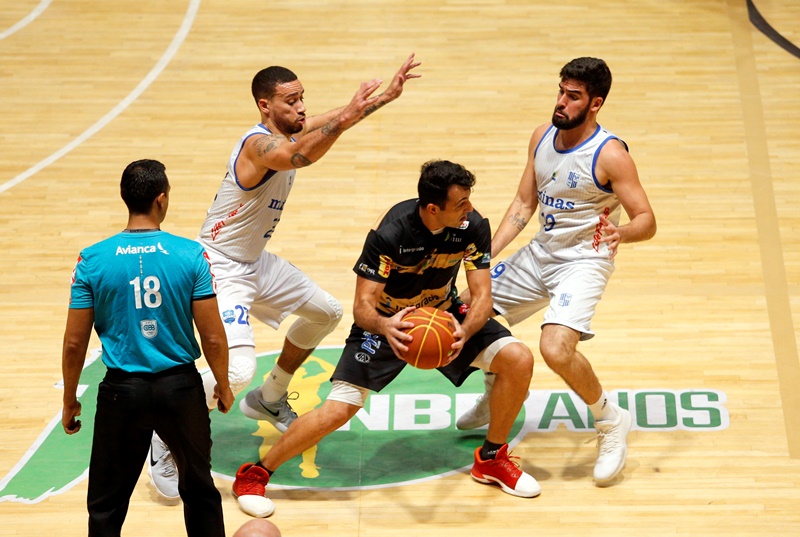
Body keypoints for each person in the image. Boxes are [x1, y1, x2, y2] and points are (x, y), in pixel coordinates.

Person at [147, 54, 422, 496]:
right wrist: (349, 115)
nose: (301, 110)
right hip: (219, 264)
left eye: (302, 100)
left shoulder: (287, 128)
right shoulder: (259, 147)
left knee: (326, 312)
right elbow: (299, 155)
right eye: (291, 102)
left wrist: (382, 98)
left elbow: (322, 123)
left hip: (255, 260)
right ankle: (163, 435)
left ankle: (270, 396)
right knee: (234, 372)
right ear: (264, 106)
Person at [231, 159, 540, 518]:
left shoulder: (472, 226)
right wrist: (386, 327)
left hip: (443, 316)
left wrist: (465, 329)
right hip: (387, 323)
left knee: (518, 358)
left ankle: (491, 459)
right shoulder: (390, 233)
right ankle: (255, 474)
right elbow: (363, 307)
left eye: (469, 200)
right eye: (461, 204)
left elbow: (482, 295)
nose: (469, 209)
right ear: (432, 208)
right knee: (338, 409)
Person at [456, 57, 657, 486]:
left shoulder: (611, 155)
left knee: (555, 349)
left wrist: (622, 231)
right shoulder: (542, 136)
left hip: (584, 261)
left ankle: (609, 421)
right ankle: (495, 391)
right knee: (472, 304)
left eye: (574, 96)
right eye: (561, 91)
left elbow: (647, 220)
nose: (562, 102)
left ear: (596, 103)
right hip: (541, 253)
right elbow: (523, 206)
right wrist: (480, 259)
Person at [60, 159, 235, 536]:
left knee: (106, 504)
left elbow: (75, 342)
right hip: (180, 390)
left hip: (122, 393)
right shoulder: (191, 255)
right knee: (201, 492)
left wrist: (70, 398)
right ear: (161, 200)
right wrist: (222, 383)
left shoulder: (92, 259)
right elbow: (214, 336)